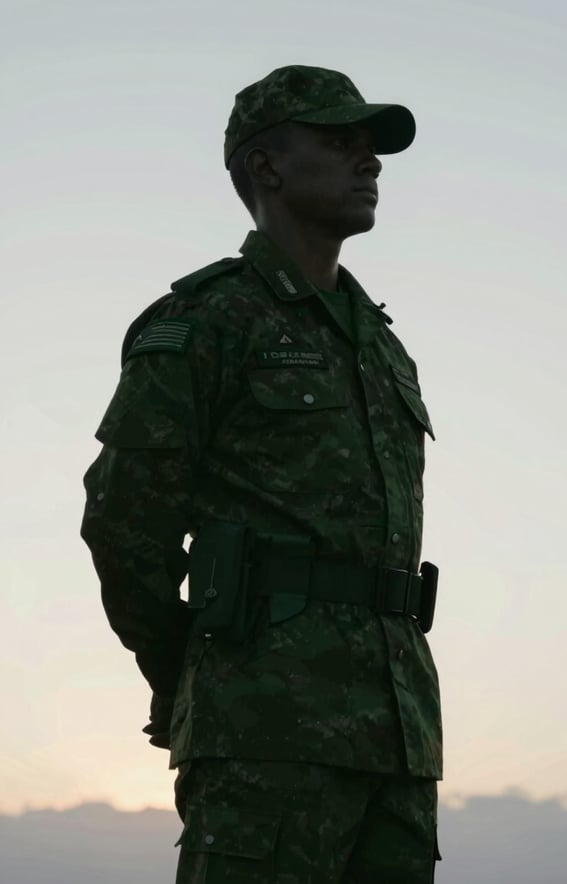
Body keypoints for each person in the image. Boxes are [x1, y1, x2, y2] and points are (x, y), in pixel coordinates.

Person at [81, 64, 442, 883]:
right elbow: (123, 520)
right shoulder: (206, 319)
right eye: (340, 142)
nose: (370, 162)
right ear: (265, 167)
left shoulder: (381, 346)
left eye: (371, 147)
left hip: (398, 736)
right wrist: (188, 675)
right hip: (263, 735)